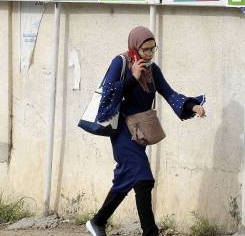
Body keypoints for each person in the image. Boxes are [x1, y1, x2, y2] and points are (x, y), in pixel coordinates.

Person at [85, 27, 206, 236]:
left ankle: (97, 221)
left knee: (126, 178)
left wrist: (192, 106)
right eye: (145, 50)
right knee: (144, 177)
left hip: (139, 132)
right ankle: (150, 232)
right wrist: (132, 77)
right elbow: (108, 95)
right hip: (122, 131)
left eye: (153, 49)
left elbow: (169, 93)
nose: (149, 54)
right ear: (135, 47)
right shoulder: (120, 62)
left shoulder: (152, 70)